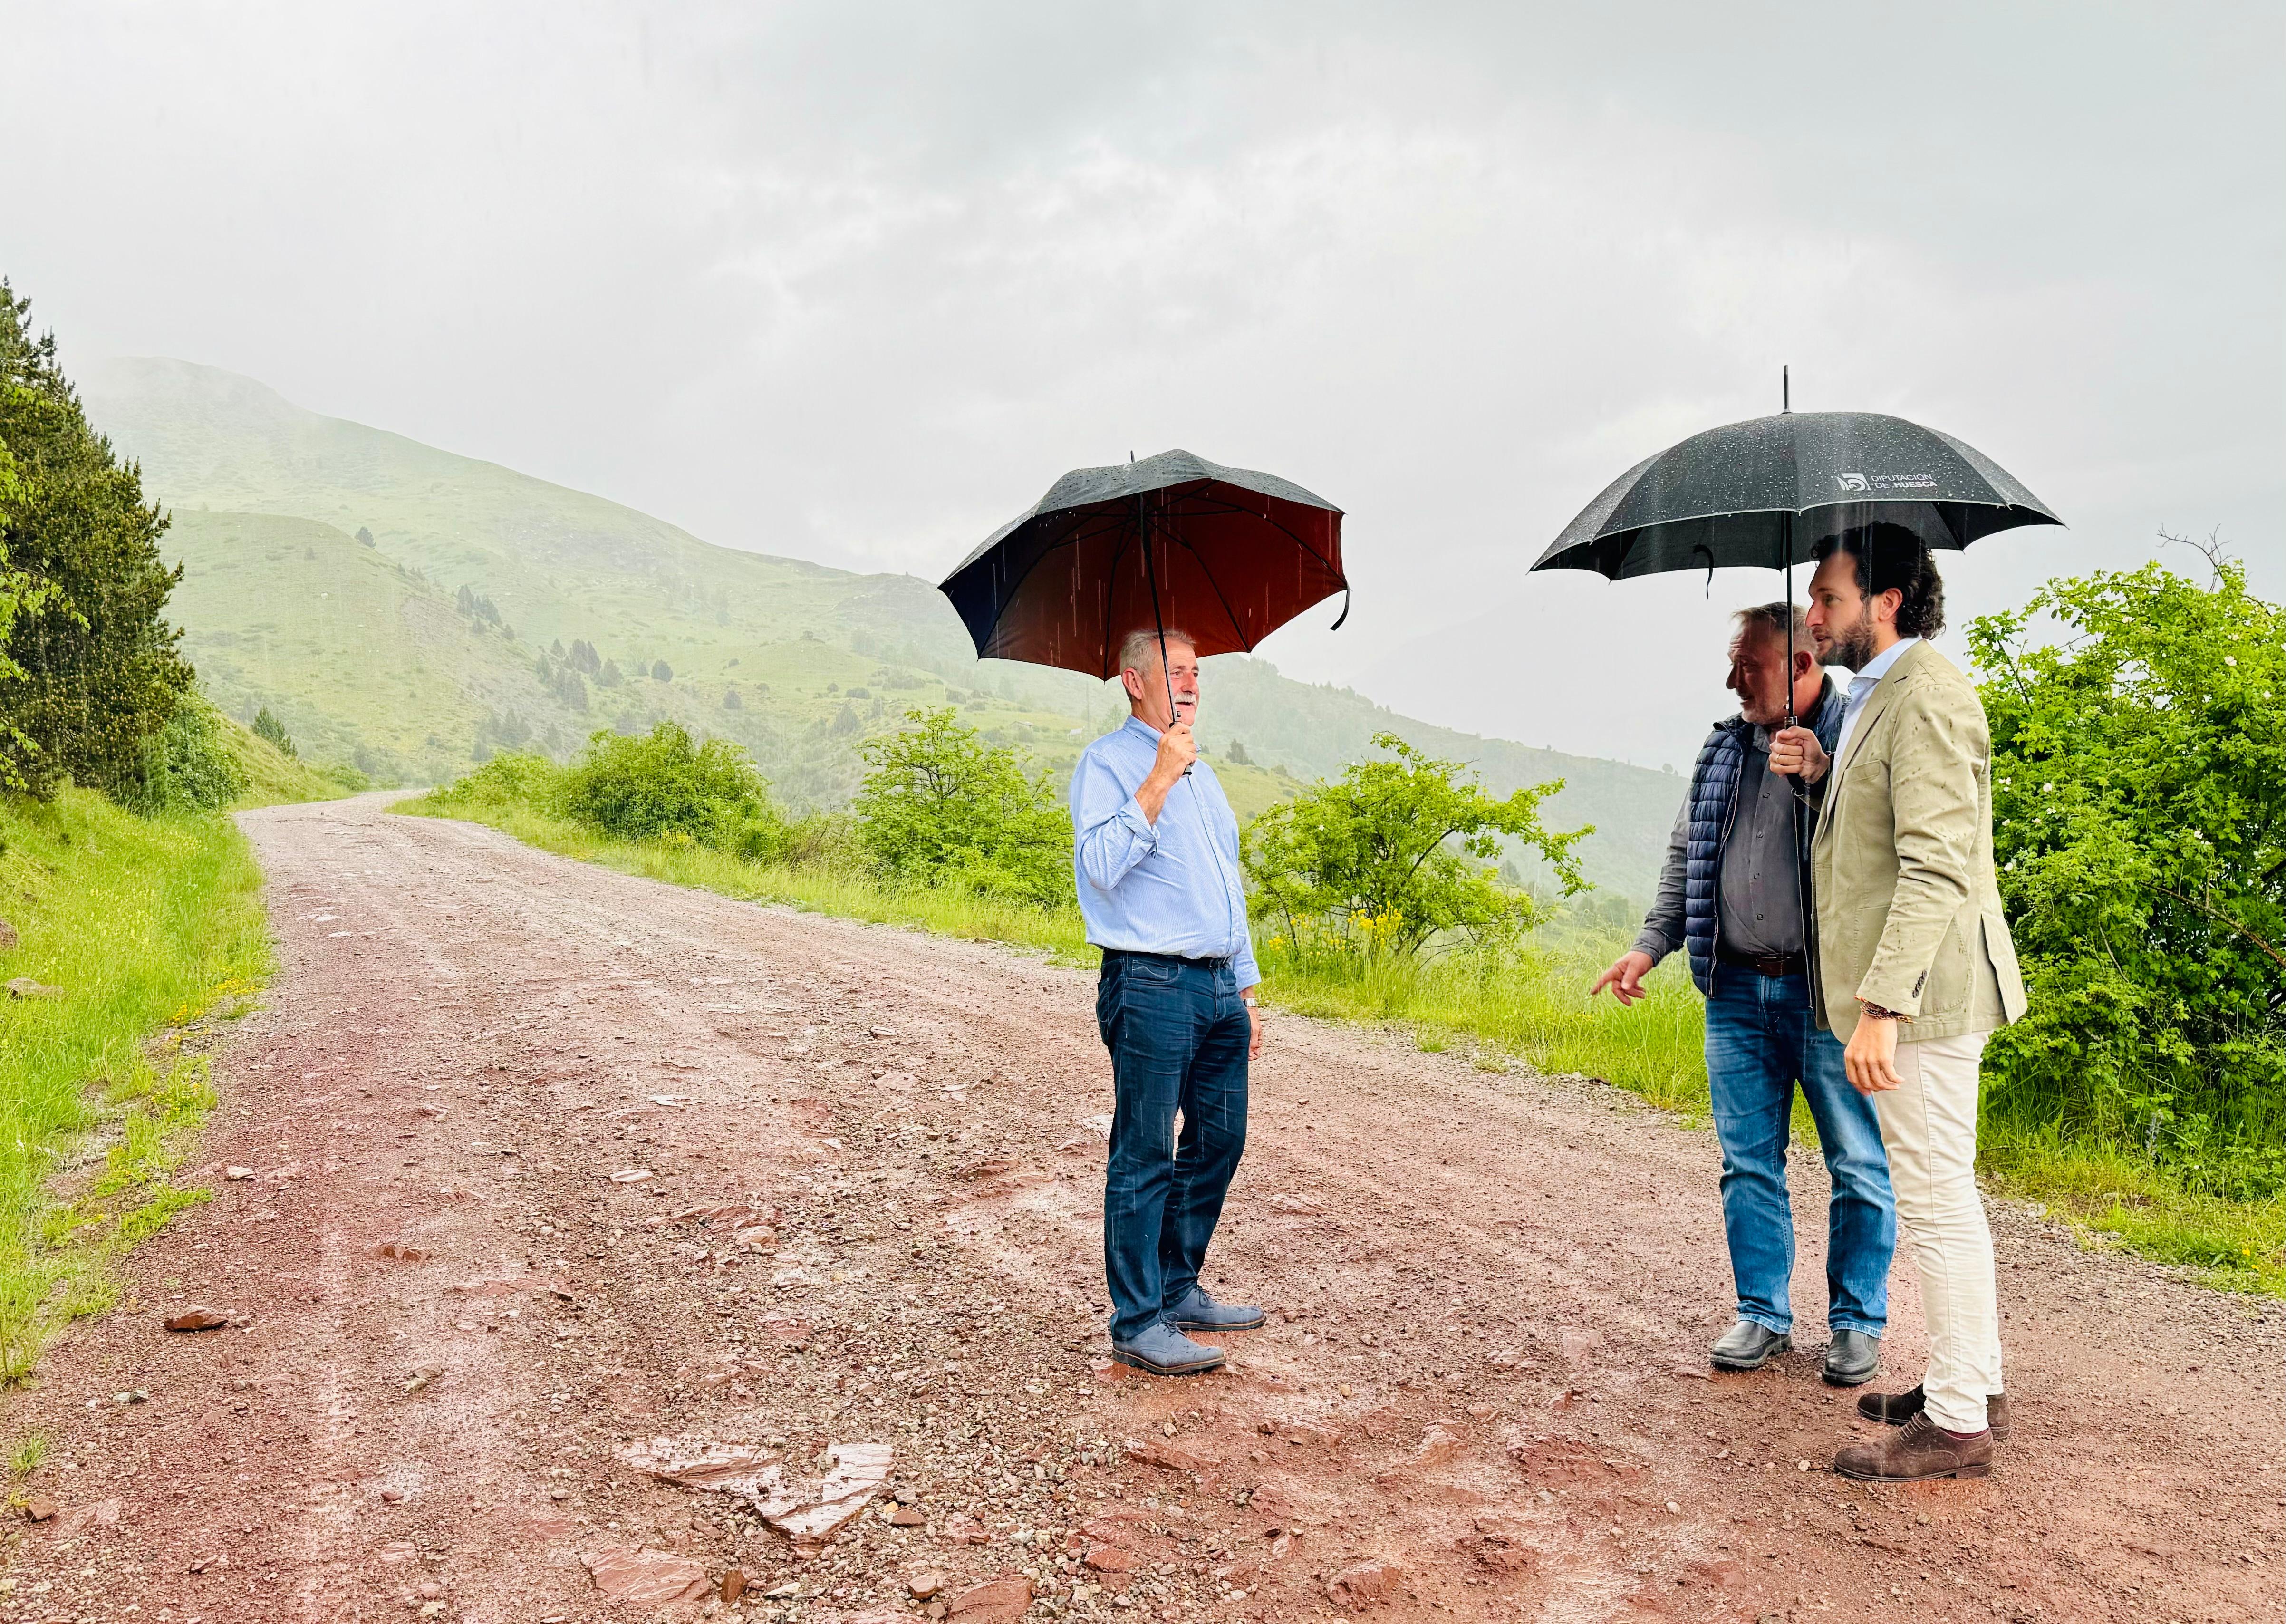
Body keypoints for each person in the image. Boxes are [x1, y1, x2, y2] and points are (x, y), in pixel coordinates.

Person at [1770, 523, 2028, 1483]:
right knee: (1941, 1190)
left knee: (1934, 1198)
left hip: (1921, 998)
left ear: (1883, 602)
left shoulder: (1922, 697)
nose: (1811, 615)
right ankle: (1974, 1382)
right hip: (1919, 992)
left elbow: (1932, 868)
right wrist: (1817, 781)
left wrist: (1881, 1005)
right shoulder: (1882, 700)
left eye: (1826, 598)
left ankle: (1958, 1425)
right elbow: (1878, 841)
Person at [1596, 604, 1896, 1385]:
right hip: (1733, 988)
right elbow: (1689, 849)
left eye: (1750, 668)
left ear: (1802, 667)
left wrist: (1818, 777)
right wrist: (1649, 943)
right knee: (1746, 1165)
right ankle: (1761, 1313)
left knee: (1857, 1164)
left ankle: (1856, 1323)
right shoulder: (1725, 743)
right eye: (1735, 667)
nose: (1734, 683)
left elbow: (1875, 848)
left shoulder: (1855, 738)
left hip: (1826, 996)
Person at [1070, 627, 1265, 1377]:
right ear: (1134, 681)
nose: (1189, 684)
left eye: (1195, 674)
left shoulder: (1205, 776)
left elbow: (1226, 887)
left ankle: (1178, 1287)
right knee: (1145, 1151)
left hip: (1216, 983)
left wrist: (1244, 987)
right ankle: (1137, 1318)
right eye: (1175, 672)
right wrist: (1155, 779)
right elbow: (1098, 868)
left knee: (1219, 1141)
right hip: (1148, 982)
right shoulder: (1110, 763)